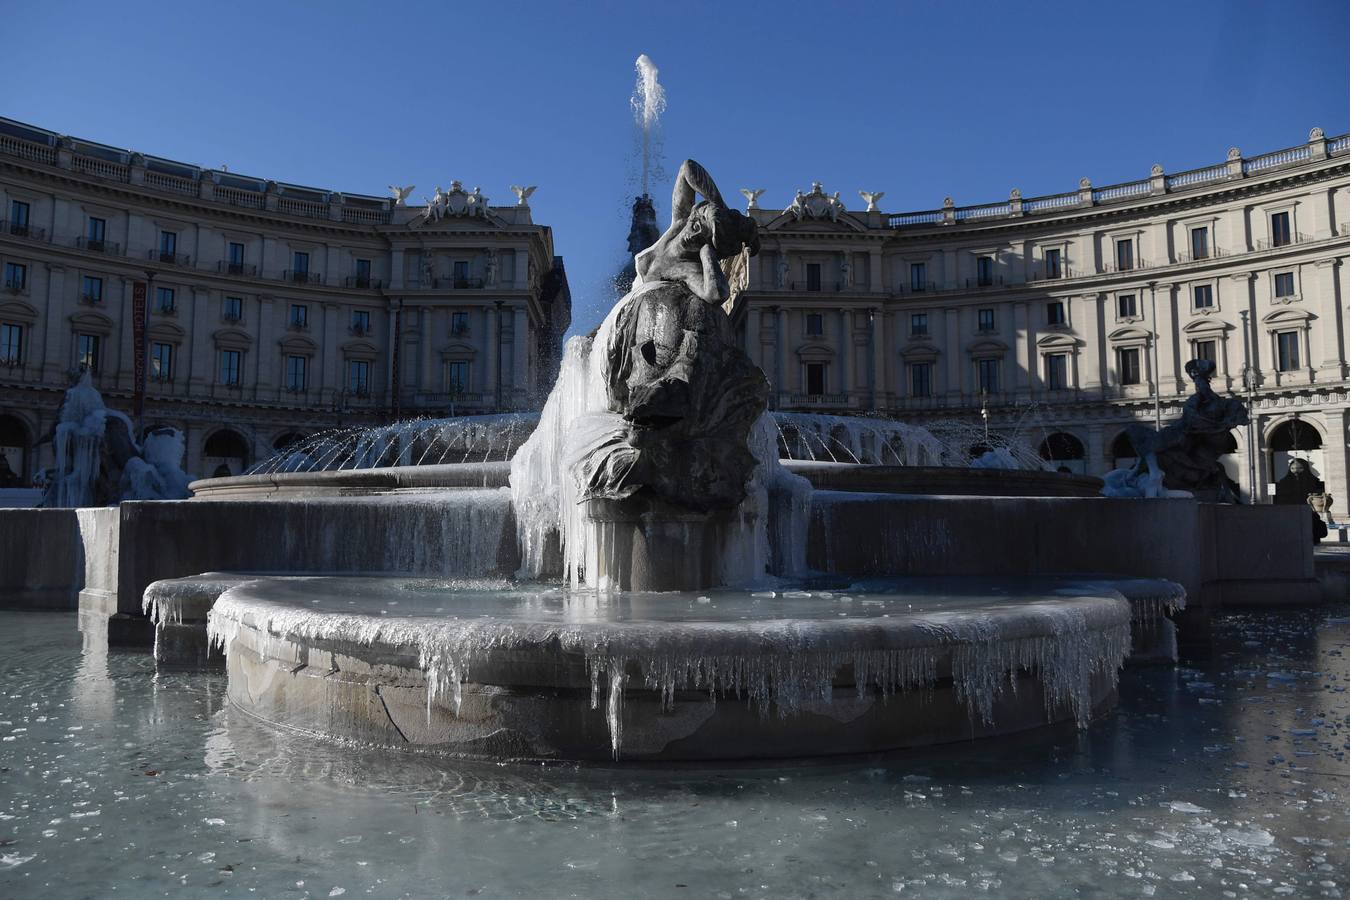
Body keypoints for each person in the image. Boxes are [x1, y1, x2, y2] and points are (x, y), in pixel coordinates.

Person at [1275, 457, 1329, 543]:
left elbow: (1318, 495)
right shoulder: (1284, 482)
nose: (1296, 471)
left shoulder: (1313, 481)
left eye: (1300, 468)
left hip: (1308, 512)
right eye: (1293, 468)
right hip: (1290, 513)